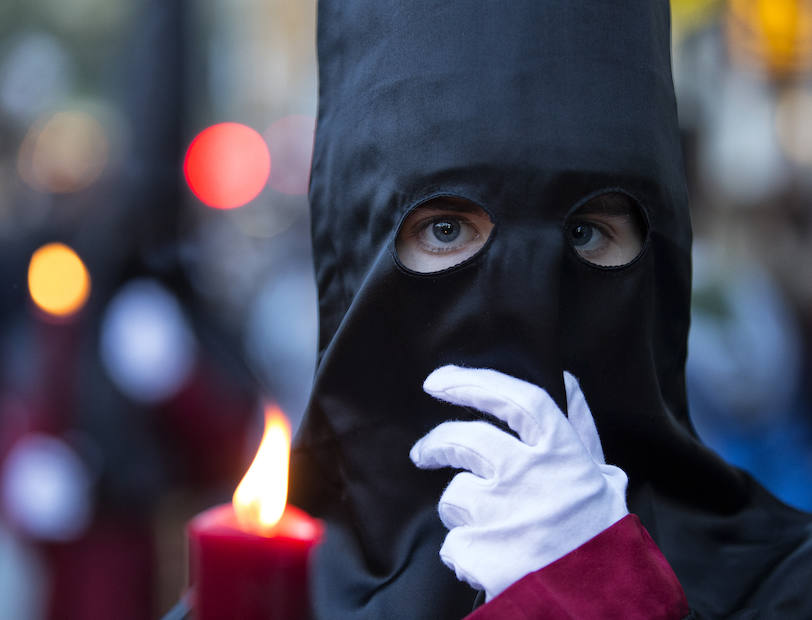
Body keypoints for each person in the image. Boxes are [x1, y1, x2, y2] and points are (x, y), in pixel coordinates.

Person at [288, 1, 812, 618]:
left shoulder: (785, 588)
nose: (525, 304)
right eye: (448, 229)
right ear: (363, 246)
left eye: (586, 233)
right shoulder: (260, 590)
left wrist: (603, 588)